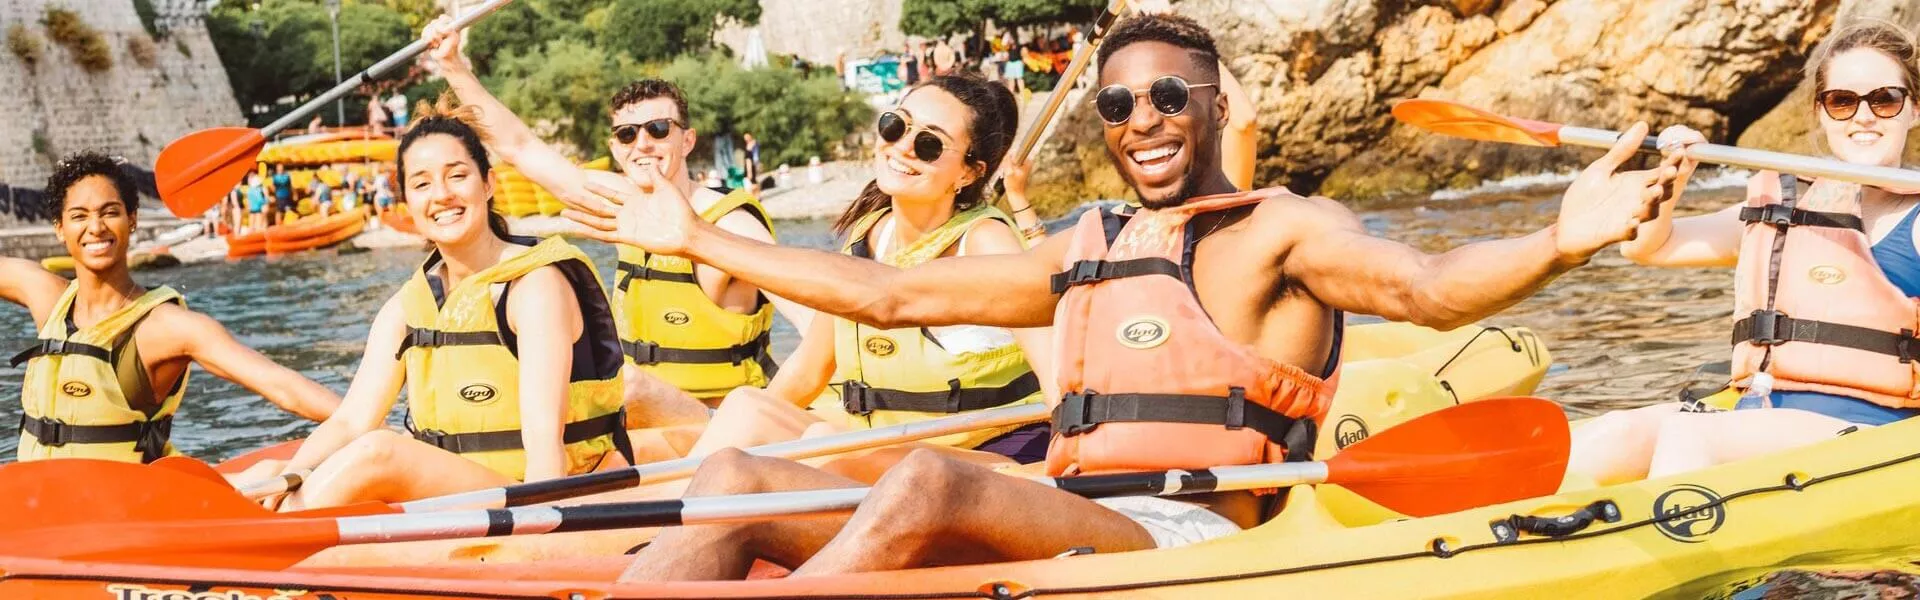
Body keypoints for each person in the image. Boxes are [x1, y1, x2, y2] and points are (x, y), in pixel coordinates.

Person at [565, 14, 1674, 579]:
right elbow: (892, 294)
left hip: (1185, 541)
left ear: (1209, 103)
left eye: (1164, 97)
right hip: (1061, 520)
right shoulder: (1086, 241)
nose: (1139, 119)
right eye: (1116, 104)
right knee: (736, 472)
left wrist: (1559, 242)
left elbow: (1429, 290)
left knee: (930, 476)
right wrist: (701, 234)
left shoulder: (1282, 231)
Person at [1568, 21, 1920, 485]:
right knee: (1614, 433)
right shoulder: (1780, 208)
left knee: (1691, 437)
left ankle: (1662, 552)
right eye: (1842, 101)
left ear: (1913, 110)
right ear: (1820, 112)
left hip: (1872, 433)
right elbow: (1649, 247)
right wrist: (1675, 176)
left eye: (1885, 100)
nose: (1864, 116)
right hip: (1756, 408)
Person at [241, 101, 632, 510]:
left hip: (532, 493)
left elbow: (544, 444)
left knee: (380, 452)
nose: (442, 195)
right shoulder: (408, 306)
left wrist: (539, 537)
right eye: (422, 184)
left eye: (457, 176)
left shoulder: (534, 288)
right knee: (267, 472)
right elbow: (351, 420)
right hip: (456, 491)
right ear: (407, 200)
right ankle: (251, 528)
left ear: (489, 184)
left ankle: (265, 548)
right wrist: (289, 478)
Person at [419, 17, 813, 415]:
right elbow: (520, 147)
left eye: (658, 129)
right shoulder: (619, 200)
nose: (642, 143)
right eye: (627, 134)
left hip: (715, 422)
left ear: (687, 140)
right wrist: (452, 64)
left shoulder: (730, 223)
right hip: (643, 416)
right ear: (615, 146)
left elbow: (817, 326)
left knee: (628, 385)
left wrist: (758, 414)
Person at [686, 73, 1055, 463]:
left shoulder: (986, 243)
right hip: (891, 447)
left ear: (969, 172)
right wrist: (750, 431)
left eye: (930, 144)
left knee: (819, 437)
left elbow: (1056, 372)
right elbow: (810, 371)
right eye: (897, 125)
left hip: (980, 458)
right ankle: (661, 515)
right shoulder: (867, 236)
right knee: (750, 407)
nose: (904, 147)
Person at [1, 152, 340, 464]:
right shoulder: (47, 297)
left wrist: (370, 424)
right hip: (40, 507)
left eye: (110, 212)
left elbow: (282, 385)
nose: (96, 227)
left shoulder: (166, 327)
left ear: (132, 219)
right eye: (79, 216)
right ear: (60, 228)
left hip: (123, 511)